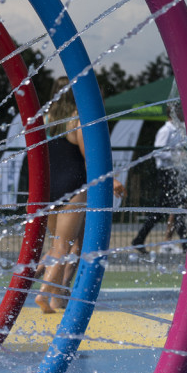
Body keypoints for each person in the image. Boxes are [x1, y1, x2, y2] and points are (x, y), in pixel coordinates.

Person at [35, 78, 124, 313]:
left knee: (60, 245)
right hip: (75, 187)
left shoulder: (47, 120)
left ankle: (56, 295)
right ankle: (44, 293)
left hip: (51, 187)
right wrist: (109, 180)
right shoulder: (77, 120)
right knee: (64, 246)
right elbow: (89, 159)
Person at [131, 106, 187, 254]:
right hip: (166, 173)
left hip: (173, 172)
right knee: (175, 208)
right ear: (174, 114)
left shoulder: (178, 130)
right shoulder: (165, 131)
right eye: (181, 112)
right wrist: (176, 156)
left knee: (165, 209)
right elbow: (158, 152)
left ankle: (139, 239)